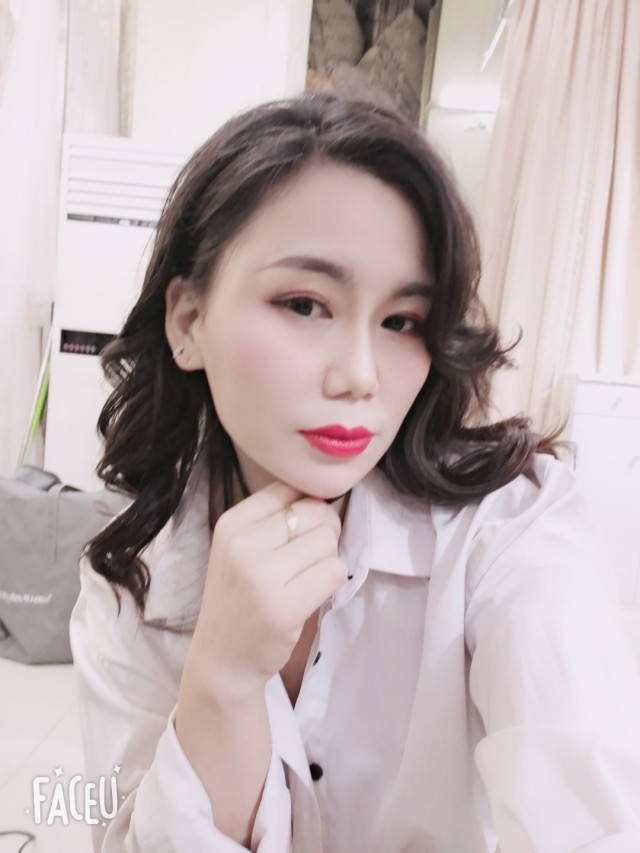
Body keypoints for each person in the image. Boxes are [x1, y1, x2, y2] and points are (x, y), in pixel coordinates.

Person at [69, 93, 640, 853]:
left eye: (402, 321)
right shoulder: (130, 577)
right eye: (305, 304)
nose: (361, 376)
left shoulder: (508, 529)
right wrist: (221, 681)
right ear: (188, 320)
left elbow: (599, 811)